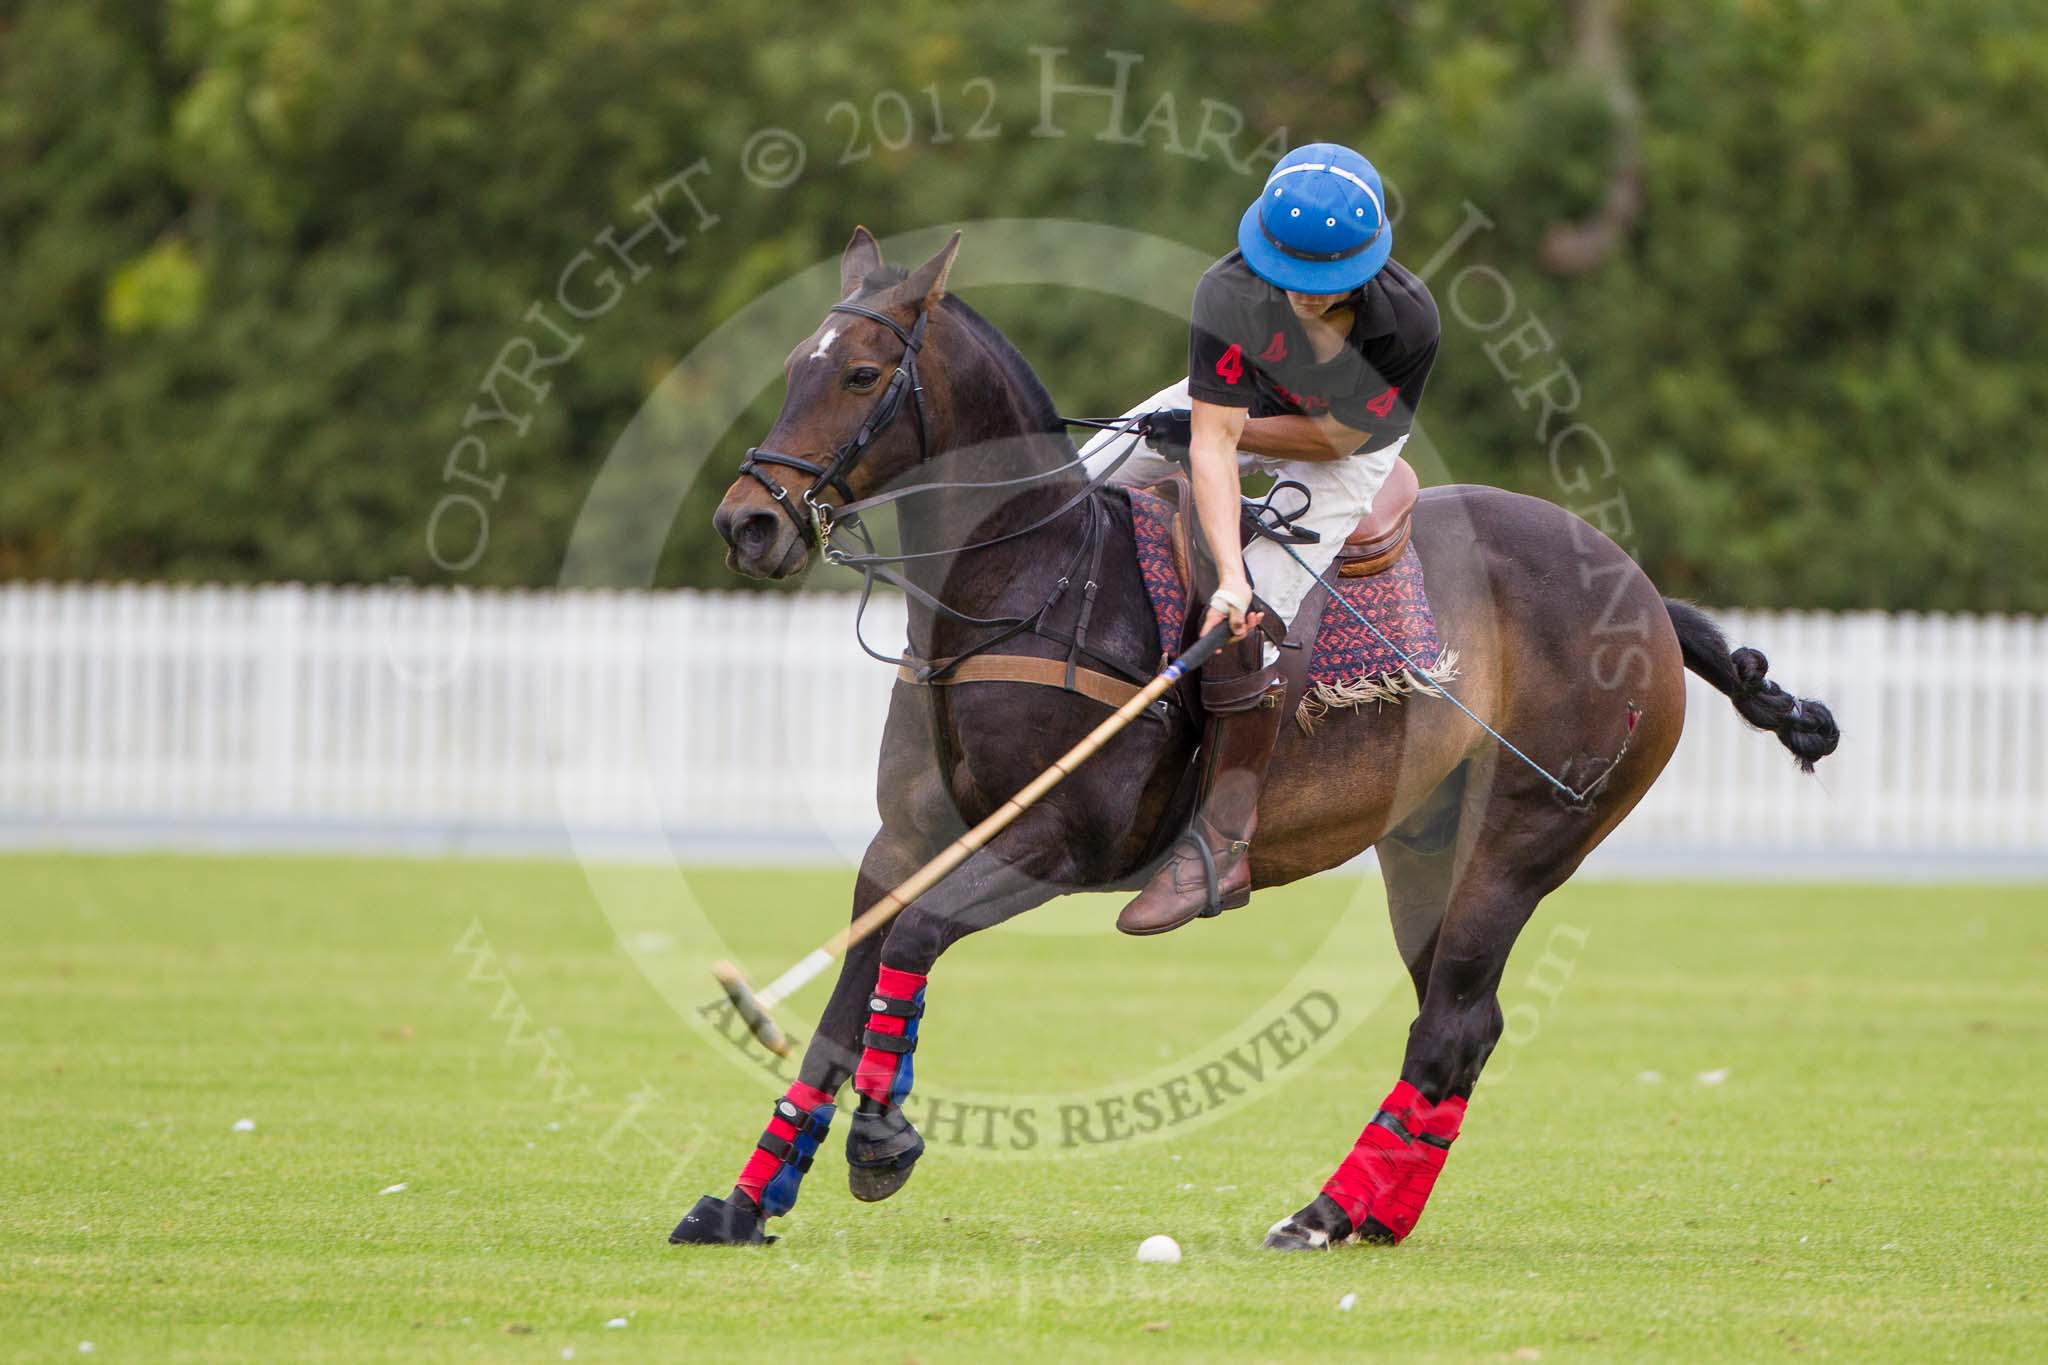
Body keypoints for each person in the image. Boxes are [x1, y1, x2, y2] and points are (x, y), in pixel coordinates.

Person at [1086, 142, 1441, 936]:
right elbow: (1212, 446)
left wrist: (1238, 586)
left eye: (1324, 285)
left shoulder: (1406, 319)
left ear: (1368, 258)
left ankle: (1218, 845)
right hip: (1233, 408)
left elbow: (1341, 440)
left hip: (1341, 446)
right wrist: (1211, 450)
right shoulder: (1230, 288)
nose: (1304, 299)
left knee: (1256, 623)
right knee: (1073, 481)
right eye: (1290, 278)